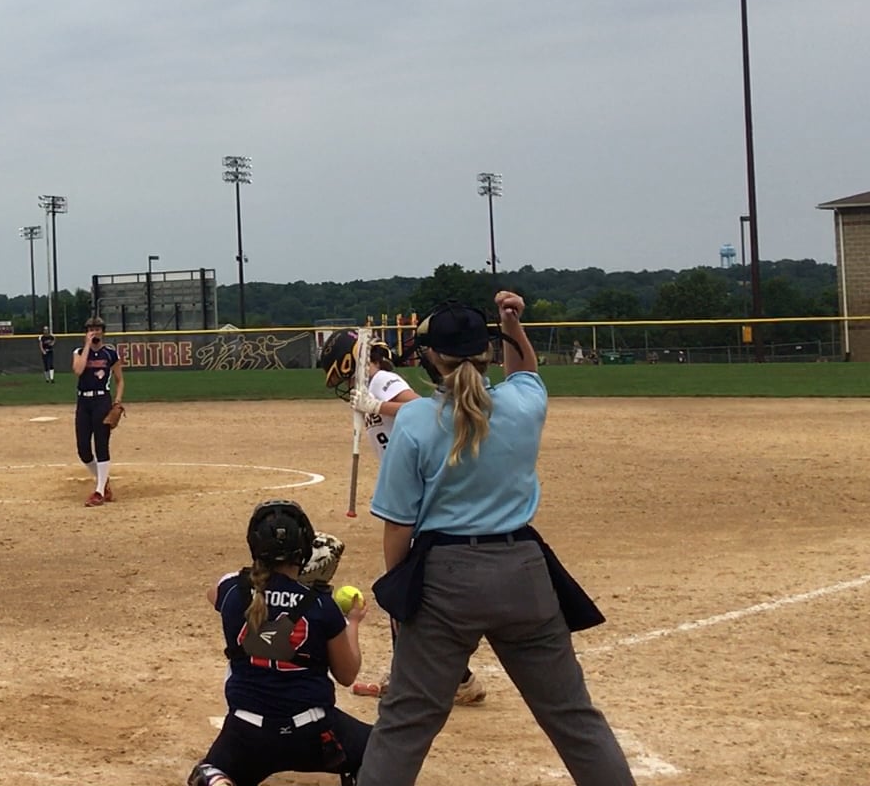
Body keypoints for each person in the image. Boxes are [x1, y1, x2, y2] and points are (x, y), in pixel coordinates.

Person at [357, 293, 633, 786]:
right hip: (524, 572)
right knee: (573, 717)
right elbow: (525, 373)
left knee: (405, 724)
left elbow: (398, 524)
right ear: (488, 352)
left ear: (430, 358)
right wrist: (512, 323)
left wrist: (399, 592)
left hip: (444, 580)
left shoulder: (415, 421)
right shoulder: (524, 405)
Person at [320, 331, 484, 706]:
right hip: (413, 492)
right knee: (412, 588)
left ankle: (424, 676)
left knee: (402, 588)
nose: (346, 386)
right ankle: (450, 676)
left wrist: (377, 404)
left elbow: (420, 407)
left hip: (418, 496)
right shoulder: (372, 387)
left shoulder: (381, 380)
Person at [188, 500, 371, 786]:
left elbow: (215, 593)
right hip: (314, 734)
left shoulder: (233, 591)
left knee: (208, 771)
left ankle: (217, 779)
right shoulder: (321, 605)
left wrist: (264, 584)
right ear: (304, 548)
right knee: (384, 748)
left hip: (246, 734)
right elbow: (347, 675)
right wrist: (353, 621)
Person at [70, 316, 124, 507]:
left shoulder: (110, 353)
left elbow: (120, 380)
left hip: (102, 400)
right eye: (91, 329)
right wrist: (87, 345)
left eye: (98, 328)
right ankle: (104, 481)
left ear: (103, 331)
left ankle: (99, 491)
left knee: (101, 445)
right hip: (83, 401)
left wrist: (117, 401)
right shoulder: (78, 352)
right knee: (83, 449)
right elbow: (78, 370)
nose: (94, 331)